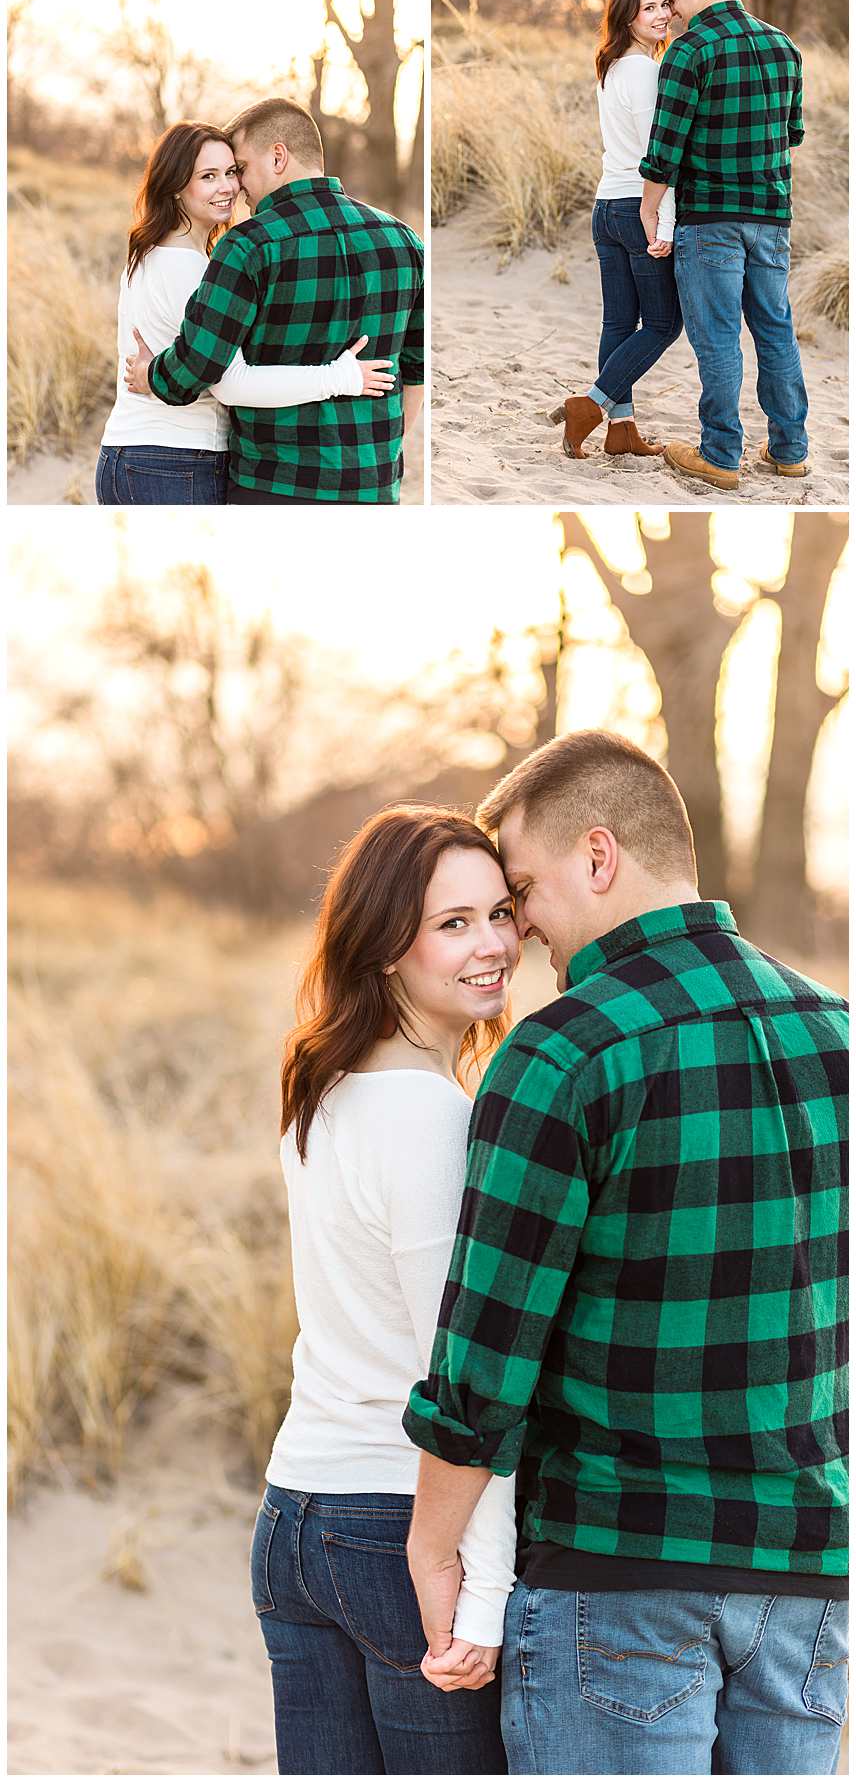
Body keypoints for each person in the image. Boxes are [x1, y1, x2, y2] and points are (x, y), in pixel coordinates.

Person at [405, 730, 849, 1776]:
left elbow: (487, 1359)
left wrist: (432, 1544)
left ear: (597, 857)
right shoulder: (836, 1033)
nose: (519, 930)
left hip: (618, 1572)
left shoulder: (563, 1050)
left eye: (522, 890)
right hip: (809, 1579)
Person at [252, 806, 518, 1775]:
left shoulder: (320, 1090)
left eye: (499, 911)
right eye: (452, 923)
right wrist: (480, 1590)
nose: (492, 944)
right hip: (395, 1530)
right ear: (384, 946)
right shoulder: (430, 1120)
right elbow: (460, 1376)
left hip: (294, 1516)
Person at [125, 98, 424, 503]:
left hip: (272, 484)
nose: (238, 187)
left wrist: (152, 375)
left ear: (278, 156)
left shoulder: (249, 245)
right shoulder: (406, 242)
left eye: (240, 169)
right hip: (372, 483)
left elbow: (199, 365)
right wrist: (379, 454)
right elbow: (416, 372)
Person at [639, 0, 810, 491]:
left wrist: (648, 203)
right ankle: (789, 450)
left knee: (716, 339)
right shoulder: (785, 45)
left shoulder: (691, 49)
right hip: (771, 217)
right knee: (776, 332)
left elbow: (666, 145)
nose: (673, 12)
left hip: (710, 216)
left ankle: (719, 454)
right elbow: (794, 133)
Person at [552, 0, 683, 461]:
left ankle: (622, 428)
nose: (661, 15)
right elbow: (658, 154)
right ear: (627, 14)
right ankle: (591, 406)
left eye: (664, 5)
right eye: (648, 8)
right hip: (636, 208)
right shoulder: (646, 71)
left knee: (619, 322)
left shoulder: (610, 67)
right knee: (664, 324)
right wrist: (663, 221)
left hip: (606, 207)